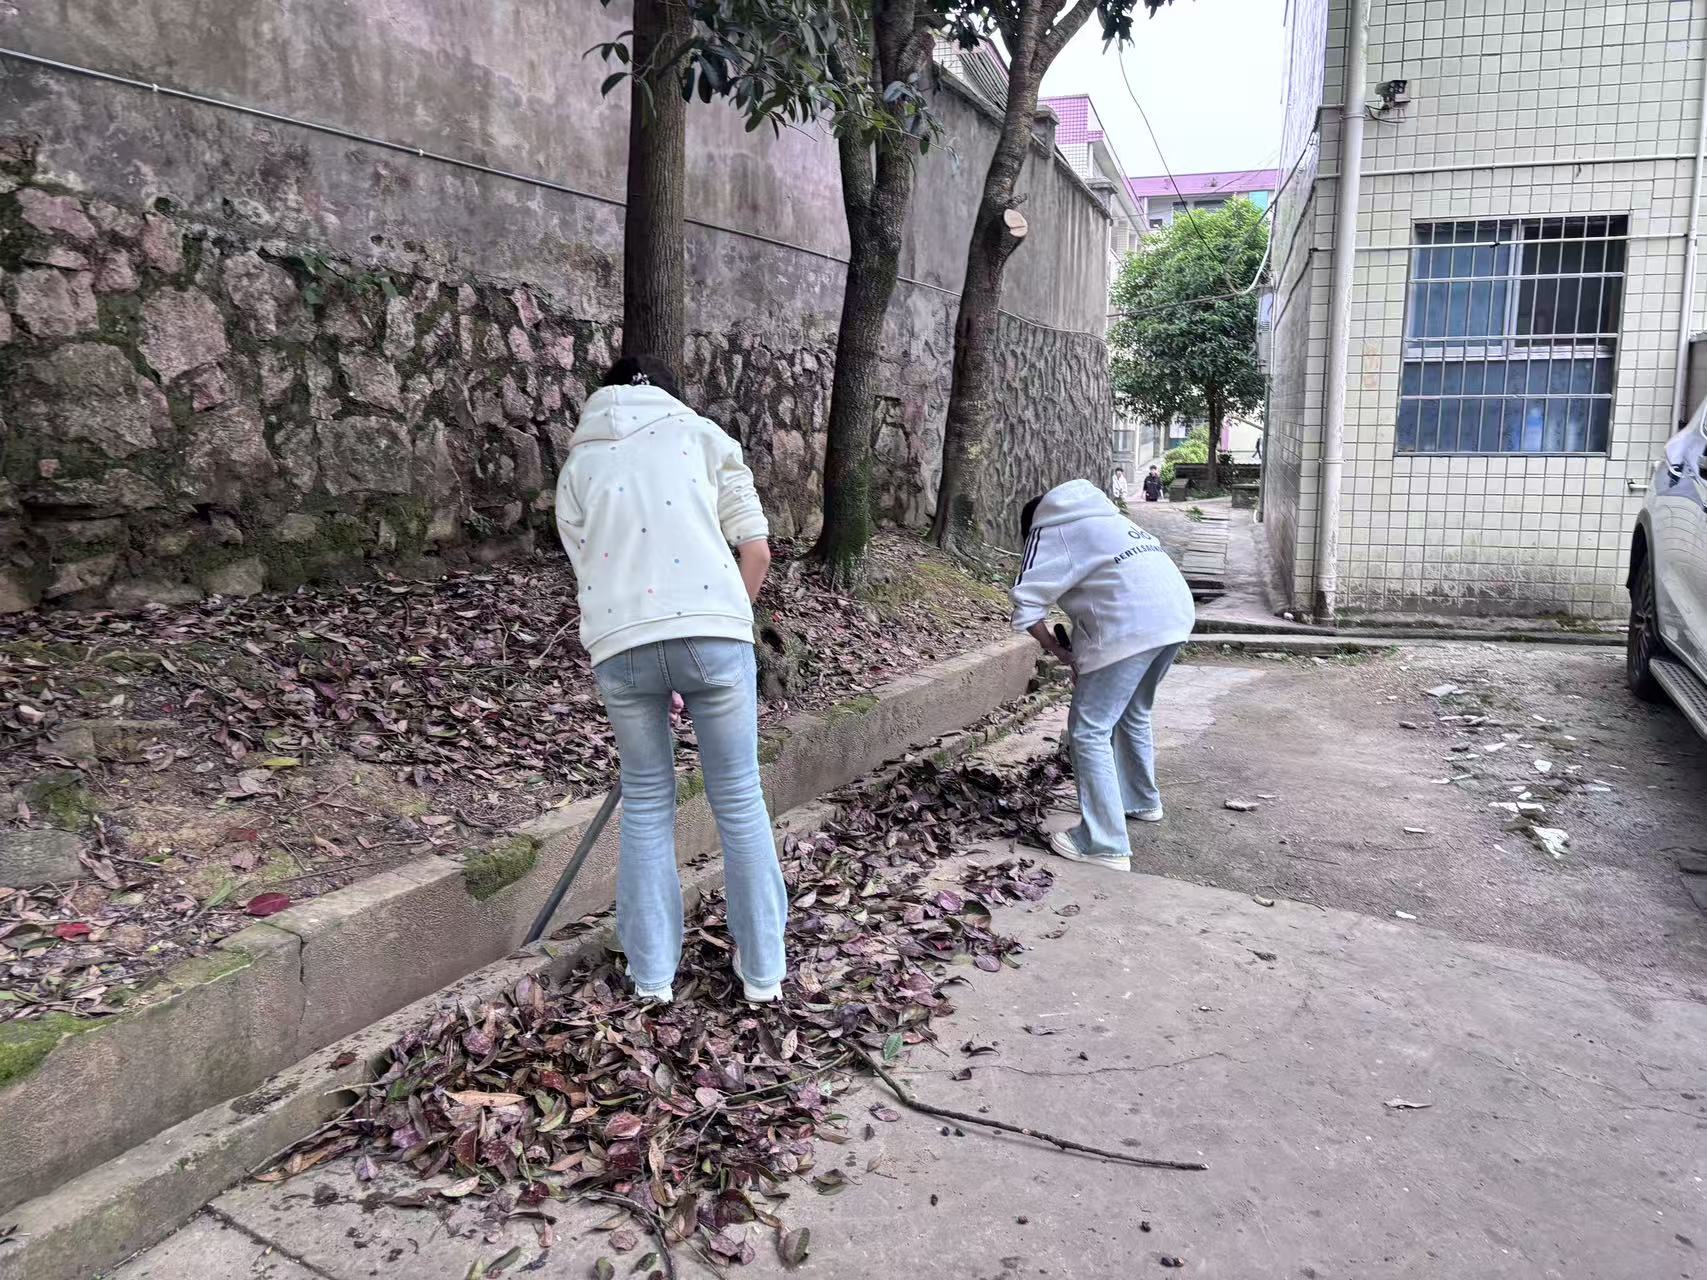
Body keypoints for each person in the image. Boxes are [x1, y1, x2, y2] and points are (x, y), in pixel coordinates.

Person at [554, 355, 788, 1004]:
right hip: (713, 631)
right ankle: (763, 975)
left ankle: (652, 978)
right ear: (666, 393)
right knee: (738, 796)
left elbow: (588, 568)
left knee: (647, 799)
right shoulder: (704, 437)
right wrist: (723, 623)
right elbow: (757, 550)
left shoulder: (579, 466)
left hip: (621, 644)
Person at [1011, 479, 1195, 872]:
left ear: (1031, 528)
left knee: (1088, 730)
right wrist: (1083, 657)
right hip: (1175, 616)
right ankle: (1139, 800)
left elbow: (1027, 605)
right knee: (1133, 712)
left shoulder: (1048, 529)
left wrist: (1057, 650)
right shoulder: (1109, 519)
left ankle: (1103, 843)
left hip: (1130, 626)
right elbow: (1108, 593)